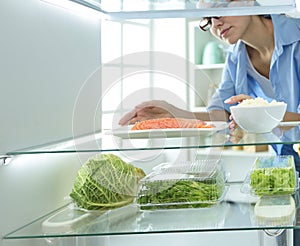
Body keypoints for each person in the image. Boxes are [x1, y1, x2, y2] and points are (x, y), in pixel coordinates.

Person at [119, 13, 300, 244]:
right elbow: (220, 113)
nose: (216, 25)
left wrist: (264, 112)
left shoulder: (297, 34)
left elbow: (263, 114)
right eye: (209, 20)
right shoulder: (237, 55)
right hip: (283, 159)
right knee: (284, 232)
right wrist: (174, 114)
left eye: (219, 13)